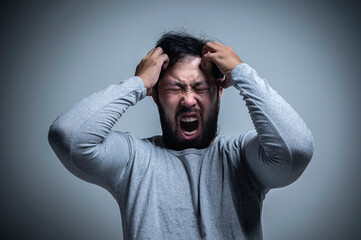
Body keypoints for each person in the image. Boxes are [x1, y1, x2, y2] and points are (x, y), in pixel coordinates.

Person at [48, 32, 314, 239]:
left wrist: (242, 73)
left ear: (219, 93)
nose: (188, 100)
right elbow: (68, 136)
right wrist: (138, 84)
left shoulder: (243, 159)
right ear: (156, 96)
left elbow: (296, 148)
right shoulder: (133, 160)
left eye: (200, 87)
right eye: (175, 88)